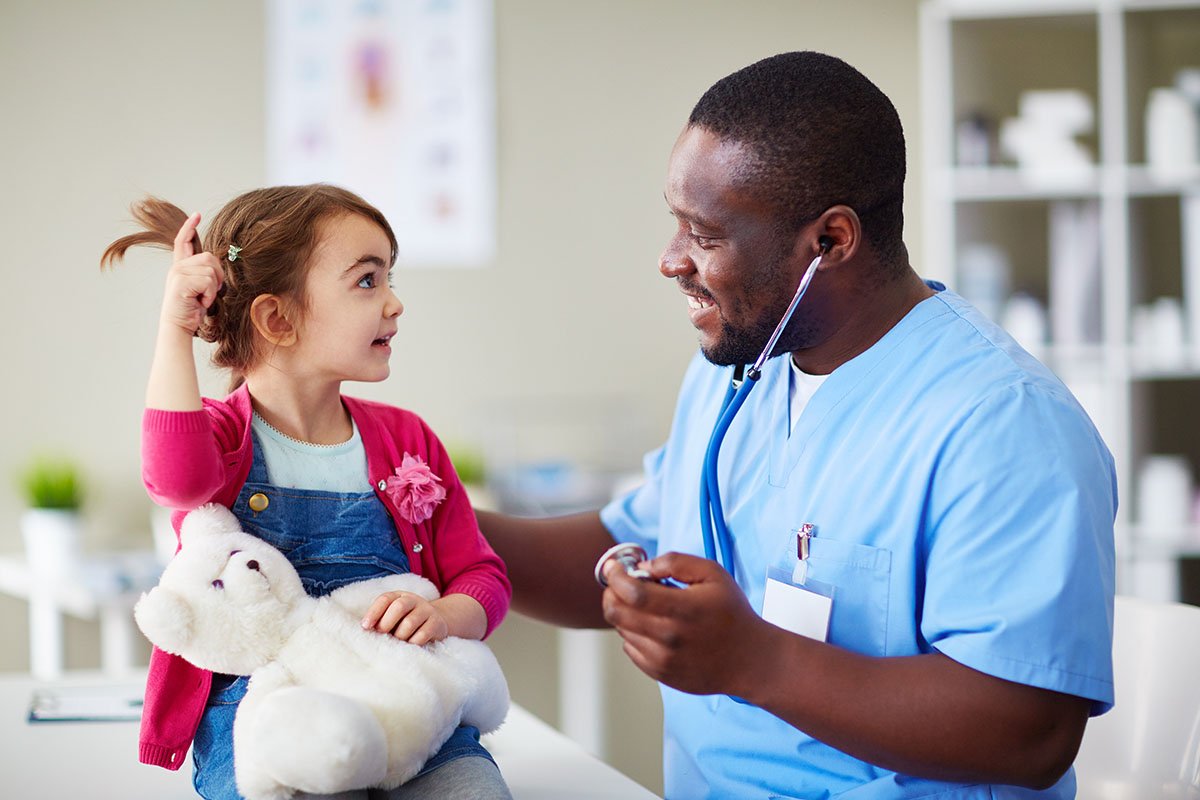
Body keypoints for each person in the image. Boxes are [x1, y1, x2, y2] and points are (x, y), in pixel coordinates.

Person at [478, 51, 1116, 799]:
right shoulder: (738, 372)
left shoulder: (1003, 427)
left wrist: (756, 661)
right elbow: (642, 548)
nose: (669, 260)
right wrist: (426, 526)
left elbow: (1030, 732)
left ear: (830, 241)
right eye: (674, 223)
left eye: (705, 234)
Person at [101, 184, 512, 800]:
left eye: (389, 278)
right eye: (368, 281)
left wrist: (445, 614)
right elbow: (177, 481)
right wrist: (172, 331)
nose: (395, 303)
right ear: (277, 318)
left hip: (399, 695)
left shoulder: (408, 440)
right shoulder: (221, 438)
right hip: (264, 714)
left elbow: (481, 574)